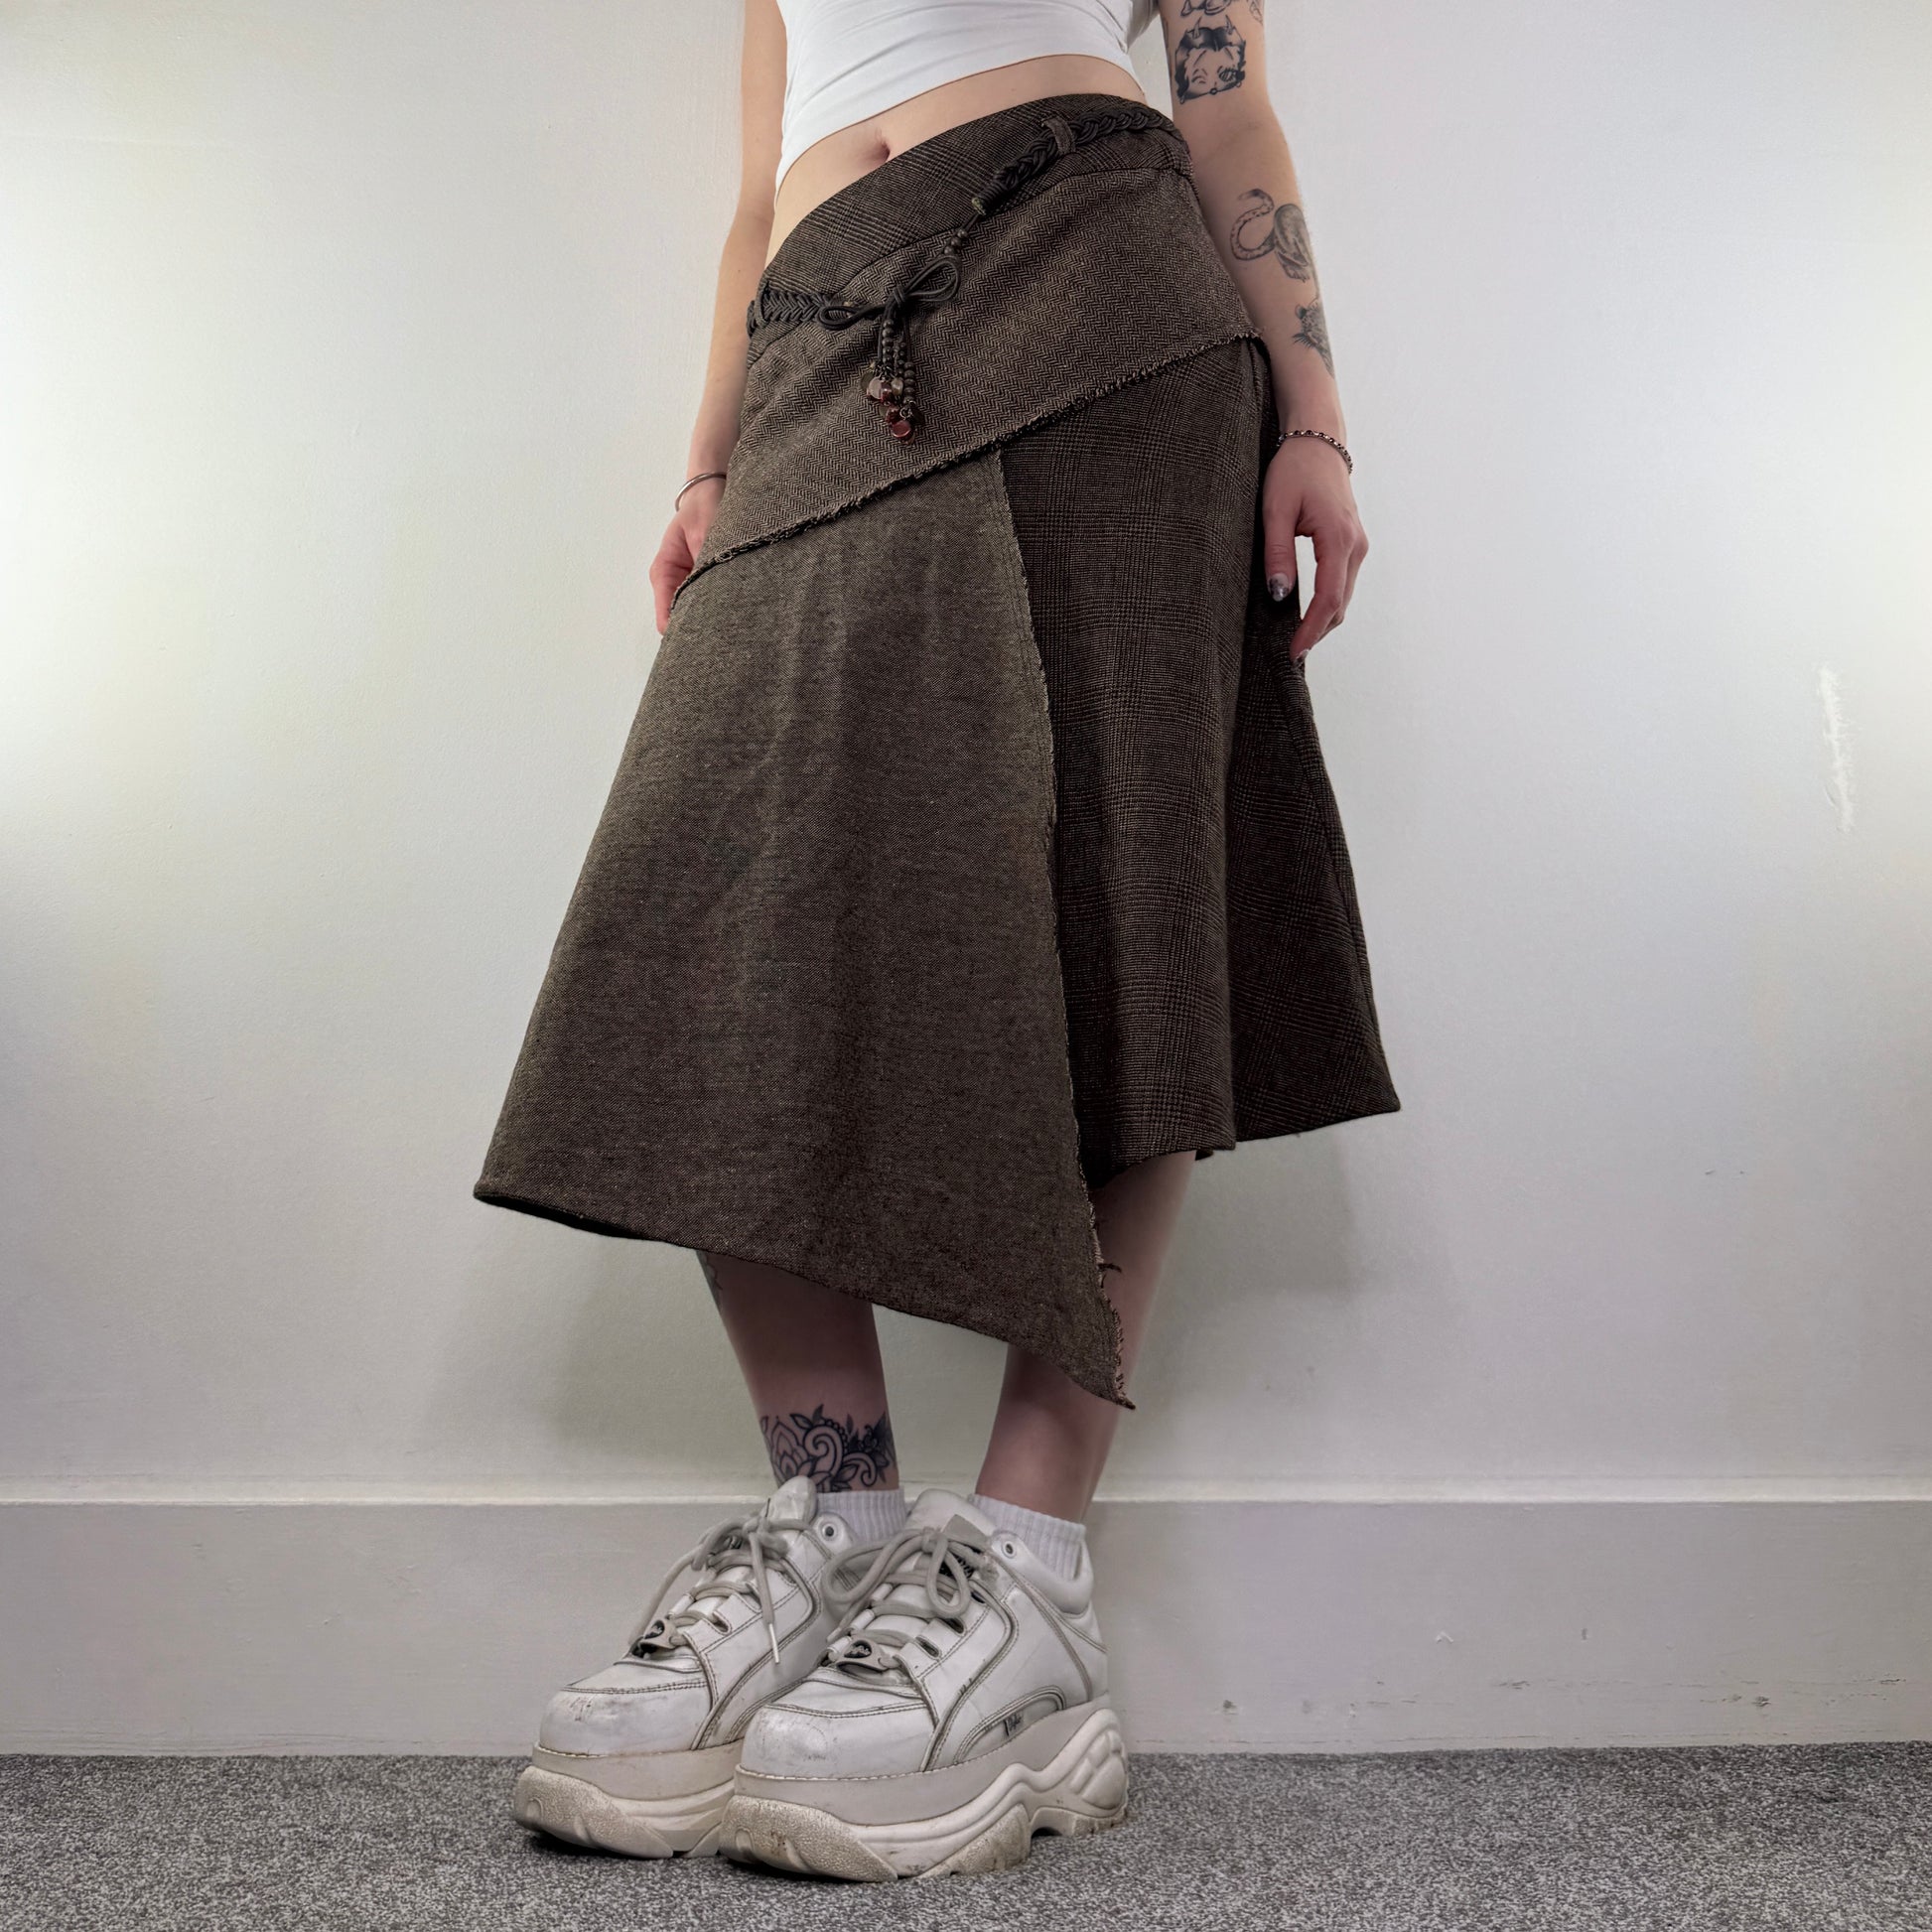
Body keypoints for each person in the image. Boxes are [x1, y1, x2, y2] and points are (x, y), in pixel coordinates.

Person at [478, 0, 1398, 1882]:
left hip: (1107, 303)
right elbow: (757, 190)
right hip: (821, 340)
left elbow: (1228, 113)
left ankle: (1029, 1563)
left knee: (1121, 887)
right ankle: (831, 1522)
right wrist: (711, 460)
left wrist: (1311, 418)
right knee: (715, 915)